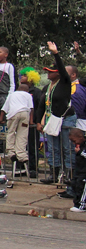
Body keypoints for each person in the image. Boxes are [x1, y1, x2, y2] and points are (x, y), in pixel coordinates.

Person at [39, 41, 76, 194]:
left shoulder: (65, 82)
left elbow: (62, 68)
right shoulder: (48, 87)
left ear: (58, 73)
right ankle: (54, 174)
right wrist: (40, 120)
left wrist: (55, 53)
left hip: (66, 119)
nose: (48, 74)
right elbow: (44, 105)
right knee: (53, 148)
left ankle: (69, 175)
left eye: (51, 71)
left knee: (67, 148)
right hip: (52, 119)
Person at [0, 83, 34, 174]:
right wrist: (31, 121)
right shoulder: (28, 95)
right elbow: (31, 108)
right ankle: (22, 155)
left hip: (13, 114)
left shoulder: (12, 95)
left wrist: (1, 118)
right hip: (24, 114)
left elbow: (4, 108)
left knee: (11, 132)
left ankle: (11, 152)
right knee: (22, 134)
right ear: (27, 90)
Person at [20, 67, 44, 178]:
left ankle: (33, 168)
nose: (22, 77)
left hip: (32, 124)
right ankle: (22, 168)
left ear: (30, 78)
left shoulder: (37, 92)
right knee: (21, 146)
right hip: (21, 124)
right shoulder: (18, 91)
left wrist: (37, 121)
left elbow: (39, 107)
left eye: (24, 75)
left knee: (33, 146)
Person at [67, 126, 86, 212]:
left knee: (81, 186)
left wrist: (80, 152)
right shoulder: (79, 146)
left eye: (74, 141)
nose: (74, 143)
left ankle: (81, 205)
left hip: (84, 171)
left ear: (80, 138)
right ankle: (76, 203)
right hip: (79, 169)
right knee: (75, 184)